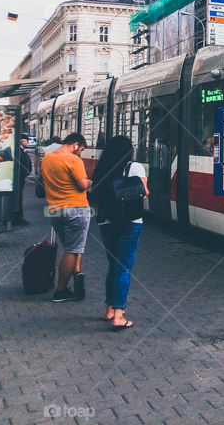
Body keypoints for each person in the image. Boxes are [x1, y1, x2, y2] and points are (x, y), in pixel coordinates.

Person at [91, 136, 147, 331]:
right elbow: (145, 192)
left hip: (107, 221)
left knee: (113, 265)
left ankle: (108, 308)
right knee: (123, 267)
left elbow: (95, 193)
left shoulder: (101, 168)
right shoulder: (135, 167)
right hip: (131, 222)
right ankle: (119, 314)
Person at [41, 133, 92, 303]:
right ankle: (60, 290)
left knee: (71, 246)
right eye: (82, 149)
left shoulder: (47, 158)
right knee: (72, 249)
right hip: (75, 209)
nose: (81, 153)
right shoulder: (73, 160)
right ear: (76, 144)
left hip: (54, 210)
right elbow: (82, 184)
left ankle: (76, 272)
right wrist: (89, 182)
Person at [13, 135, 33, 225]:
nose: (28, 143)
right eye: (27, 141)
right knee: (18, 198)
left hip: (21, 178)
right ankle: (18, 219)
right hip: (19, 179)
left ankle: (19, 218)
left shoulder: (21, 151)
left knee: (19, 198)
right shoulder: (19, 151)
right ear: (23, 141)